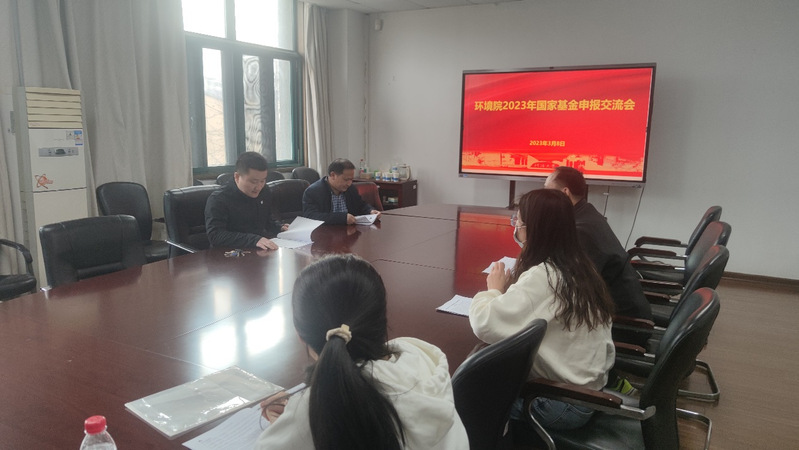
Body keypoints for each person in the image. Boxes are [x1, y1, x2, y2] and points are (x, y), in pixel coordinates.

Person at [255, 254, 468, 449]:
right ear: (382, 321)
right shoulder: (422, 358)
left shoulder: (311, 412)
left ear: (299, 334)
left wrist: (291, 421)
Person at [469, 189, 615, 431]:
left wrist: (493, 290)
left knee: (467, 397)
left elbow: (484, 322)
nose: (516, 228)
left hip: (561, 402)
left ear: (535, 229)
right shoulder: (578, 264)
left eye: (518, 222)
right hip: (587, 394)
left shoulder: (546, 276)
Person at [544, 166, 653, 321]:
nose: (544, 196)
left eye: (547, 190)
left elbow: (573, 285)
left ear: (565, 192)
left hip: (623, 321)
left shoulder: (581, 230)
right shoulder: (586, 214)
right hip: (615, 309)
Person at [204, 152, 288, 250]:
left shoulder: (264, 191)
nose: (259, 187)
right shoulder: (219, 199)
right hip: (228, 254)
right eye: (253, 182)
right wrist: (254, 240)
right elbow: (215, 235)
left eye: (262, 181)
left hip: (258, 250)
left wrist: (279, 227)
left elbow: (267, 220)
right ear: (237, 177)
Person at [302, 158, 381, 225]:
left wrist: (370, 211)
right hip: (326, 233)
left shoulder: (350, 189)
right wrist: (341, 218)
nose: (349, 183)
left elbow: (361, 205)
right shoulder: (313, 191)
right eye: (346, 179)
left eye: (351, 179)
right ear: (333, 175)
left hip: (349, 232)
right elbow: (310, 216)